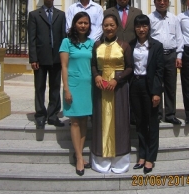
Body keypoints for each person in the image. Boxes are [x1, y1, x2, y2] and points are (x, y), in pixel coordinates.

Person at [91, 14, 133, 174]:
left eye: (111, 25)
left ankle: (119, 162)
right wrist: (97, 76)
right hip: (100, 88)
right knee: (100, 122)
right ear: (102, 27)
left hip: (119, 89)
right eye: (105, 25)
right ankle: (101, 161)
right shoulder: (97, 45)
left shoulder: (124, 46)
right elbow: (93, 64)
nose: (108, 28)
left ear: (117, 27)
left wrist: (118, 79)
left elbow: (130, 67)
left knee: (119, 121)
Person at [59, 12, 94, 176]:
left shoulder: (91, 43)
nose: (83, 25)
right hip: (73, 86)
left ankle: (78, 153)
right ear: (74, 24)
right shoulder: (66, 42)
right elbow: (64, 67)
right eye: (80, 22)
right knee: (74, 122)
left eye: (86, 23)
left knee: (84, 121)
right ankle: (80, 157)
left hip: (88, 87)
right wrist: (66, 88)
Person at [28, 0, 66, 129]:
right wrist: (33, 58)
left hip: (56, 57)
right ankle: (40, 115)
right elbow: (31, 39)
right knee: (39, 87)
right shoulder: (34, 15)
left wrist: (64, 57)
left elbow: (64, 37)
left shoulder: (61, 15)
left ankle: (53, 114)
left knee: (55, 86)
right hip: (40, 58)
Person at [129, 15, 164, 174]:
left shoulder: (156, 46)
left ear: (149, 28)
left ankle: (150, 157)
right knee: (140, 122)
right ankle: (142, 155)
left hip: (150, 87)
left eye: (144, 26)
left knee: (152, 122)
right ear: (135, 28)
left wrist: (156, 92)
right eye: (138, 26)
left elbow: (159, 71)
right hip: (135, 85)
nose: (141, 29)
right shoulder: (130, 45)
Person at [148, 0, 184, 125]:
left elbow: (179, 38)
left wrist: (179, 55)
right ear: (154, 2)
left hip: (171, 55)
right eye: (159, 0)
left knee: (170, 85)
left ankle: (170, 114)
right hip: (156, 57)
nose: (162, 3)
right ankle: (157, 114)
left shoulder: (174, 19)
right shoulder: (149, 18)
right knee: (157, 85)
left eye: (164, 0)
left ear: (168, 2)